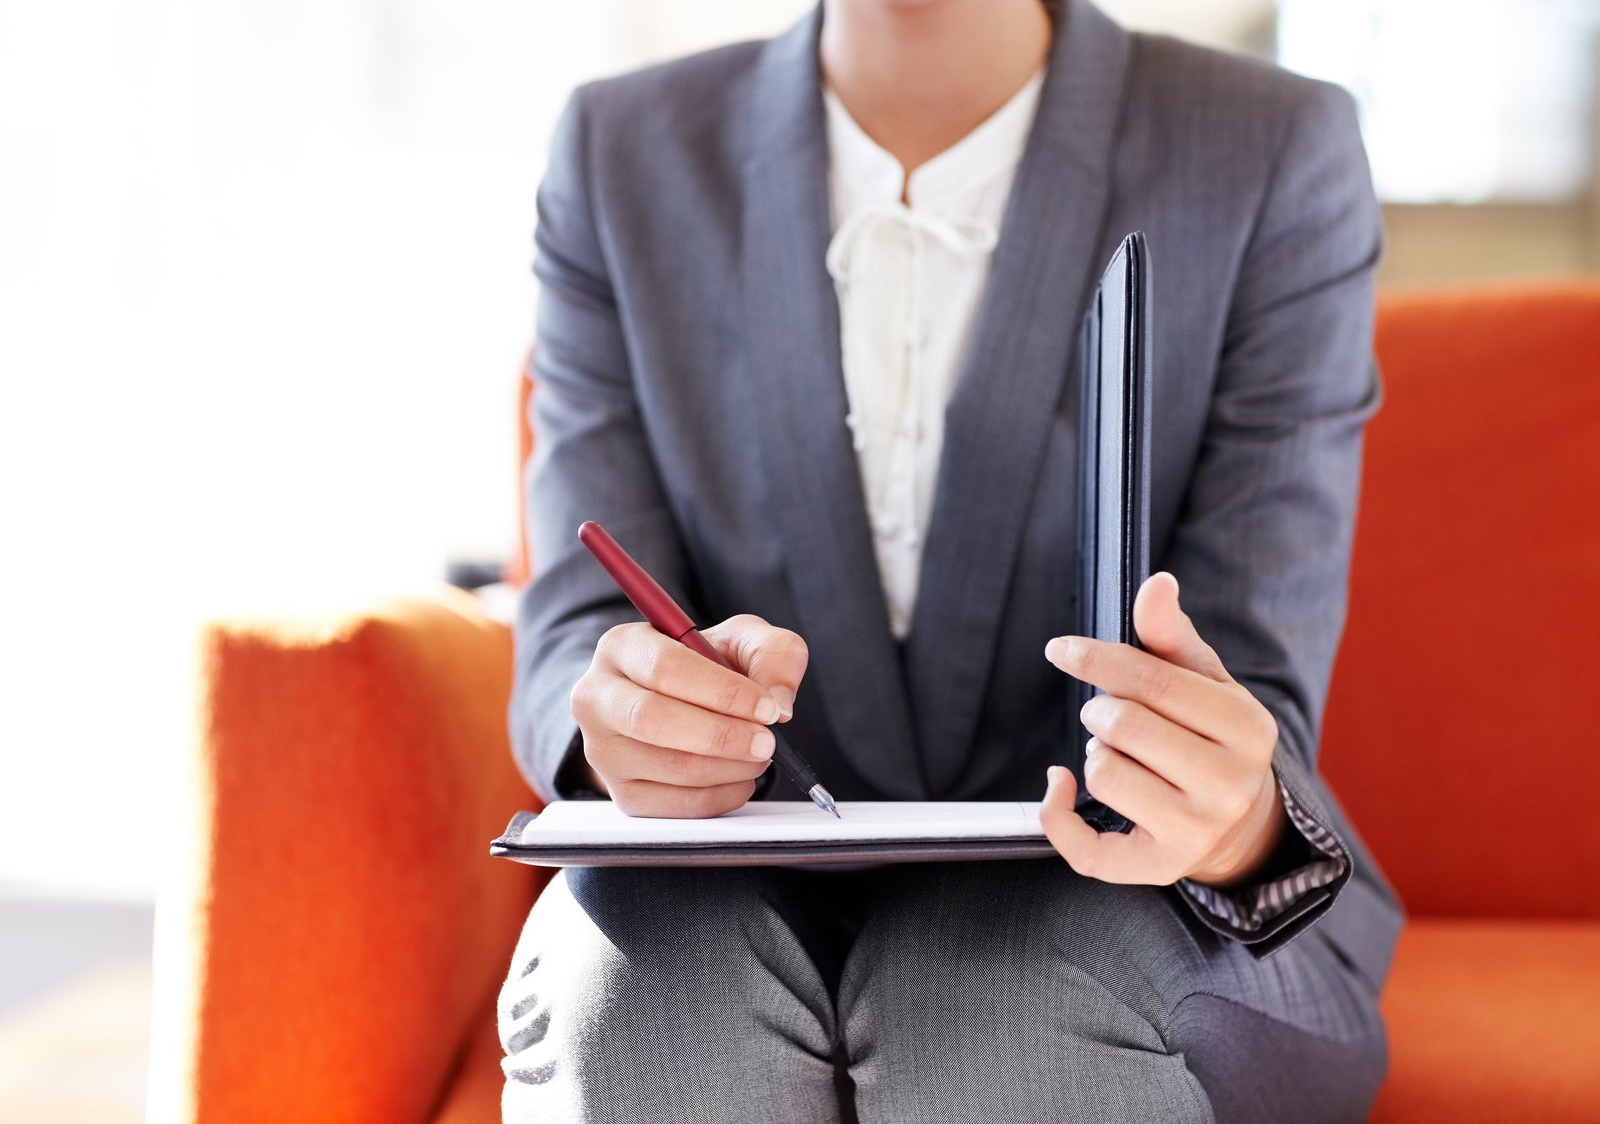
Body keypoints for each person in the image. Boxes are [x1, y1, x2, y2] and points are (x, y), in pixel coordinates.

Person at [501, 0, 1403, 1119]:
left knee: (988, 1003)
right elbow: (577, 621)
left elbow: (1257, 663)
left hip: (1148, 897)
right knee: (631, 1001)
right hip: (731, 870)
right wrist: (626, 729)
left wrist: (1220, 803)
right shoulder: (616, 151)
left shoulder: (1269, 145)